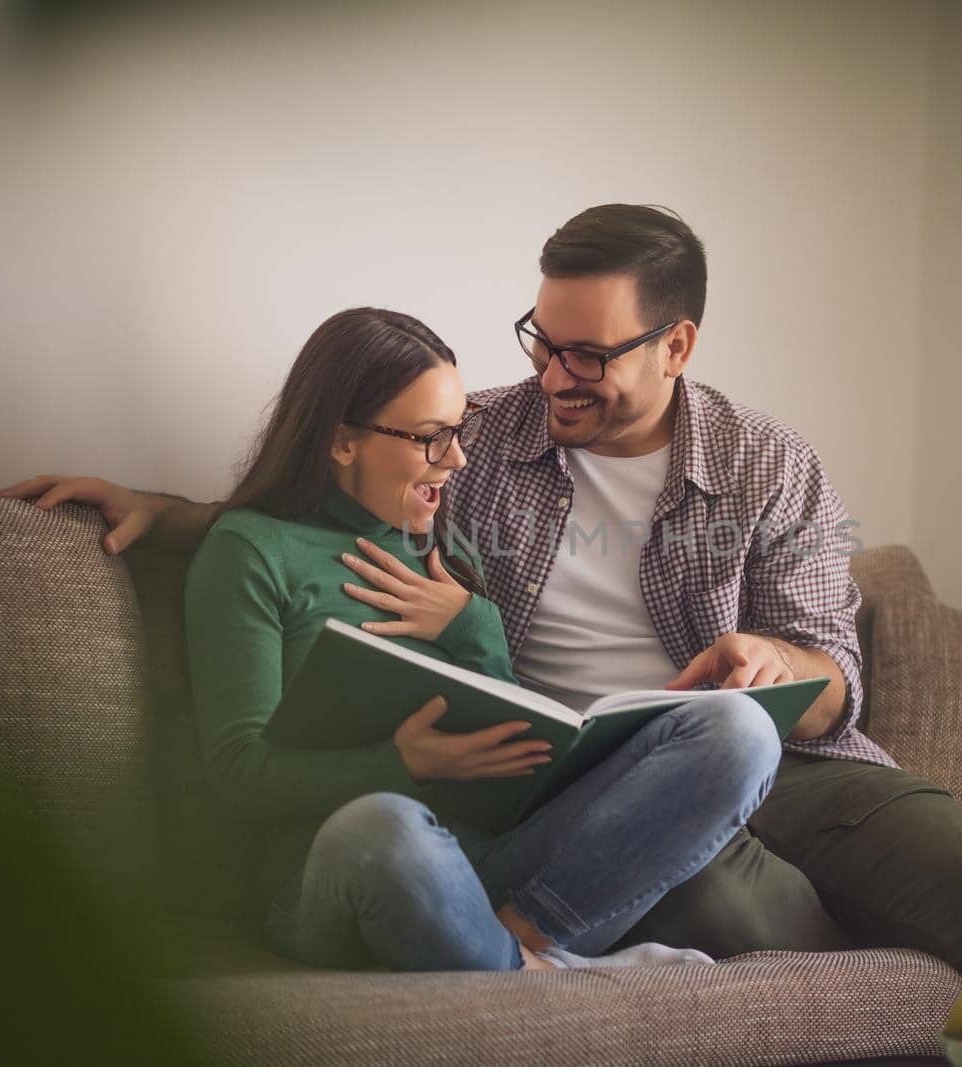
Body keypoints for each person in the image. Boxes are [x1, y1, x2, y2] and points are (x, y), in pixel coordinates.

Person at [1, 205, 962, 1007]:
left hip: (767, 755)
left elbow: (830, 679)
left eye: (589, 353)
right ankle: (552, 948)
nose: (554, 375)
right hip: (559, 778)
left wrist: (773, 661)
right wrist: (165, 511)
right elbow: (324, 503)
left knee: (951, 859)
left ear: (676, 344)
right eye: (542, 339)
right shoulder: (477, 440)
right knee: (708, 892)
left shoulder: (768, 466)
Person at [150, 305, 783, 972]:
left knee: (739, 729)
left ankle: (521, 949)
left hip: (495, 870)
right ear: (342, 440)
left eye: (459, 431)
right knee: (381, 826)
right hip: (346, 872)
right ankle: (553, 972)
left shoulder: (445, 559)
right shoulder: (251, 550)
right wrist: (403, 764)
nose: (455, 459)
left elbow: (515, 762)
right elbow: (236, 776)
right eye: (430, 437)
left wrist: (472, 622)